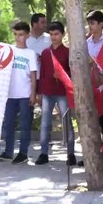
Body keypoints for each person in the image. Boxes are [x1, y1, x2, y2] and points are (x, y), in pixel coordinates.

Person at [0, 22, 37, 164]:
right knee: (8, 124)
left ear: (27, 35)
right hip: (9, 95)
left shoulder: (30, 54)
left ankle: (23, 153)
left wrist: (33, 94)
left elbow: (33, 76)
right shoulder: (9, 51)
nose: (18, 38)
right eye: (16, 35)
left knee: (25, 124)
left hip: (25, 95)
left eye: (21, 35)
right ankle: (8, 152)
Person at [34, 21, 76, 166]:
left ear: (62, 35)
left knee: (67, 123)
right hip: (47, 92)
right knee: (45, 123)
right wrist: (39, 91)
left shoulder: (67, 52)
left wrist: (64, 75)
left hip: (62, 92)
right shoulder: (45, 52)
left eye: (56, 34)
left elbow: (72, 72)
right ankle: (43, 153)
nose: (53, 37)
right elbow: (43, 72)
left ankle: (70, 154)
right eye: (51, 34)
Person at [78, 10, 103, 167]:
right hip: (87, 86)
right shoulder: (86, 43)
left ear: (101, 24)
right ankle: (89, 154)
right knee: (89, 124)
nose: (90, 26)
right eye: (89, 23)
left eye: (93, 23)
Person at [26, 13, 51, 81]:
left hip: (45, 78)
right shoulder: (25, 39)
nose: (45, 25)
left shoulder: (50, 39)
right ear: (35, 24)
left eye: (45, 22)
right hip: (28, 78)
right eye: (42, 22)